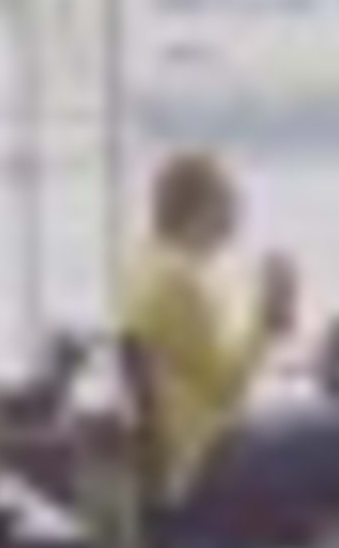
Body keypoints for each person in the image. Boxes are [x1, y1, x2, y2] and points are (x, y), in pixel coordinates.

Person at [117, 149, 299, 497]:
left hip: (185, 454)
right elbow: (228, 390)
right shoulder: (179, 280)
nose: (238, 217)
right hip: (205, 460)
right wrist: (268, 317)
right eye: (230, 203)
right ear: (202, 208)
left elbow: (201, 369)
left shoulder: (147, 264)